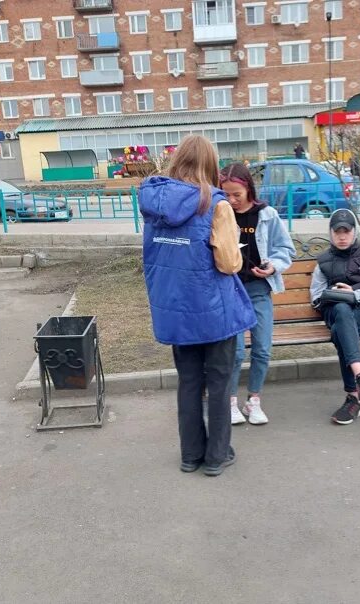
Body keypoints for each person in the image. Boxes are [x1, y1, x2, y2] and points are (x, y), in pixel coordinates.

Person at [139, 136, 257, 476]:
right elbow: (229, 264)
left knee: (189, 382)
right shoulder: (216, 204)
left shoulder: (153, 202)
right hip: (213, 311)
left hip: (173, 307)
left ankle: (190, 455)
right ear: (210, 164)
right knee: (219, 382)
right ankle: (217, 456)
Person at [219, 162, 295, 425]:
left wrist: (273, 265)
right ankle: (229, 402)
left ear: (248, 188)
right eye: (226, 194)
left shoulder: (267, 214)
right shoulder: (220, 213)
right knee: (236, 352)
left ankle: (253, 401)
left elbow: (285, 249)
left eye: (236, 194)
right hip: (230, 291)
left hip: (259, 289)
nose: (231, 200)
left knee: (262, 348)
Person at [310, 209, 360, 424]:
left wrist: (353, 294)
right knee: (341, 311)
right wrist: (335, 295)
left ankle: (353, 398)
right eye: (337, 232)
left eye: (347, 231)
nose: (342, 236)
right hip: (334, 312)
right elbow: (315, 296)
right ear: (331, 233)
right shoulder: (323, 260)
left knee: (340, 331)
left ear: (354, 232)